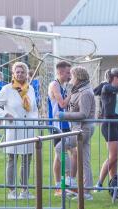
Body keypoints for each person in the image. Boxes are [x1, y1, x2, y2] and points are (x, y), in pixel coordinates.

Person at [0, 62, 38, 200]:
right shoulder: (7, 89)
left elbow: (34, 109)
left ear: (26, 74)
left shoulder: (31, 89)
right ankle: (11, 191)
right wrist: (5, 115)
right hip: (13, 129)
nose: (20, 74)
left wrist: (36, 122)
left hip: (28, 129)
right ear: (13, 74)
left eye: (22, 72)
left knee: (26, 159)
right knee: (12, 159)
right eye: (17, 72)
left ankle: (24, 190)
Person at [57, 66, 96, 200]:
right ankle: (87, 191)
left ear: (78, 78)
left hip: (83, 129)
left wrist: (64, 115)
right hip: (80, 128)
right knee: (85, 160)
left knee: (60, 146)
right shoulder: (79, 90)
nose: (70, 78)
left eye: (72, 76)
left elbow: (83, 114)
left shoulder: (85, 92)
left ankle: (70, 178)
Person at [47, 61, 74, 195]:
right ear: (61, 72)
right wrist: (72, 93)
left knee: (58, 156)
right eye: (68, 72)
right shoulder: (54, 85)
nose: (70, 75)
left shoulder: (63, 85)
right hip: (57, 125)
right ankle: (67, 182)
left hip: (65, 124)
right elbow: (62, 104)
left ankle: (60, 186)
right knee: (69, 152)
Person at [96, 68, 118, 189]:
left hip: (115, 124)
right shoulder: (107, 87)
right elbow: (117, 89)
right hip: (109, 125)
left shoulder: (110, 88)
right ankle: (99, 183)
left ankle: (114, 182)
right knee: (112, 157)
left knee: (115, 158)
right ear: (116, 78)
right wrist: (105, 82)